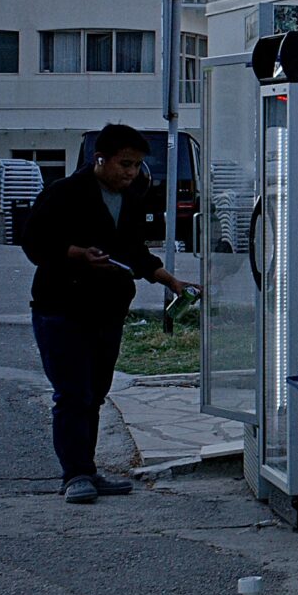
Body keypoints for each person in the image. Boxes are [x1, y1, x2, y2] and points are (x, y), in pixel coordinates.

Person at [21, 124, 196, 503]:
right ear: (100, 159)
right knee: (72, 394)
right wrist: (77, 254)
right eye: (125, 164)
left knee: (95, 394)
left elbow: (135, 252)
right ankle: (75, 475)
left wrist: (171, 281)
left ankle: (88, 469)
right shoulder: (64, 193)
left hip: (108, 310)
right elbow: (34, 241)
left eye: (136, 166)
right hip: (62, 309)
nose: (131, 173)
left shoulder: (130, 198)